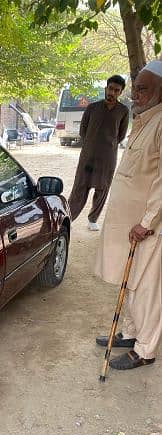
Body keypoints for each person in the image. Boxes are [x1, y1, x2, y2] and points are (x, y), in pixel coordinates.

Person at [94, 60, 162, 370]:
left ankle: (145, 350)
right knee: (131, 281)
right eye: (135, 90)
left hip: (149, 228)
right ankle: (133, 333)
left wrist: (147, 223)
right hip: (134, 226)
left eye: (143, 90)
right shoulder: (145, 119)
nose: (135, 95)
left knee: (146, 288)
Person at [69, 75, 129, 231]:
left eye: (116, 90)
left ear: (120, 92)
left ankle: (93, 219)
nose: (112, 93)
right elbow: (83, 130)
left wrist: (108, 145)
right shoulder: (92, 108)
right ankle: (69, 217)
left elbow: (121, 135)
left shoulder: (123, 111)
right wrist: (91, 144)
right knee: (80, 186)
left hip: (108, 157)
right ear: (106, 88)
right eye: (110, 89)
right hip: (88, 155)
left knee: (102, 188)